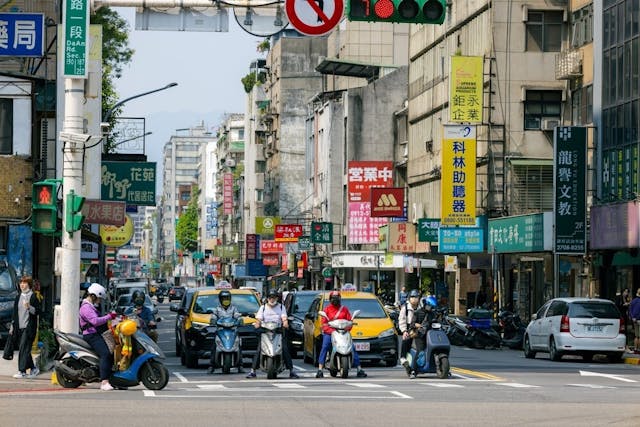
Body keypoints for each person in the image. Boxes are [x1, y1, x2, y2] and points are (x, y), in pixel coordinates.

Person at [246, 289, 298, 379]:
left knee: (285, 349)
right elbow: (259, 318)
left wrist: (285, 323)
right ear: (267, 298)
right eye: (270, 298)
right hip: (265, 332)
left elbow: (284, 318)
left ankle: (291, 371)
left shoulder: (281, 307)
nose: (272, 300)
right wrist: (257, 324)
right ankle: (253, 371)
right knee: (259, 349)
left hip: (278, 332)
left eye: (274, 298)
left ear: (277, 298)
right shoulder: (263, 308)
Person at [316, 290, 367, 378]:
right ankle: (320, 369)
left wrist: (348, 326)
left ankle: (359, 369)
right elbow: (324, 324)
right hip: (331, 333)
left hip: (343, 332)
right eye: (333, 298)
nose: (335, 300)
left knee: (352, 347)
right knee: (325, 346)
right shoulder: (327, 309)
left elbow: (349, 321)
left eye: (337, 298)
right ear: (330, 299)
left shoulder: (344, 309)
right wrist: (331, 331)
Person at [79, 283, 117, 391]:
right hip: (91, 335)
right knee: (105, 353)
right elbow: (95, 321)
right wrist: (109, 316)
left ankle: (113, 378)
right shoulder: (86, 307)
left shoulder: (91, 306)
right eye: (99, 298)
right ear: (94, 296)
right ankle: (104, 382)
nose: (99, 301)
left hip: (96, 333)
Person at [10, 276, 41, 379]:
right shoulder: (18, 297)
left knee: (23, 348)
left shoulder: (33, 297)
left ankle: (22, 371)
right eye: (21, 283)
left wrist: (29, 307)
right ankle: (33, 369)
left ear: (29, 285)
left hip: (29, 328)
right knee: (24, 349)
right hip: (19, 327)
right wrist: (12, 326)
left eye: (24, 283)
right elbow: (15, 313)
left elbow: (38, 311)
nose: (22, 285)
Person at [207, 290, 243, 374]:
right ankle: (211, 366)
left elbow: (237, 315)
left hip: (232, 330)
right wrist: (213, 320)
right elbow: (214, 316)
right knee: (214, 346)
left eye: (227, 298)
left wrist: (240, 319)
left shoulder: (234, 308)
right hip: (221, 330)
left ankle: (240, 365)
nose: (226, 300)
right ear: (220, 299)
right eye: (224, 298)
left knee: (239, 345)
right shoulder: (217, 309)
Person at [398, 289, 421, 376]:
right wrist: (404, 331)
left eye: (416, 297)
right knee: (405, 345)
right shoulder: (406, 308)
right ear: (409, 298)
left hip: (420, 330)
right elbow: (401, 320)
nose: (414, 299)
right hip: (409, 330)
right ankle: (405, 362)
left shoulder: (421, 307)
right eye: (412, 297)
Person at [629, 288, 640, 353]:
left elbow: (630, 310)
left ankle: (635, 349)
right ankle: (639, 349)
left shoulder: (633, 301)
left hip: (635, 320)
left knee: (636, 336)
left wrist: (633, 317)